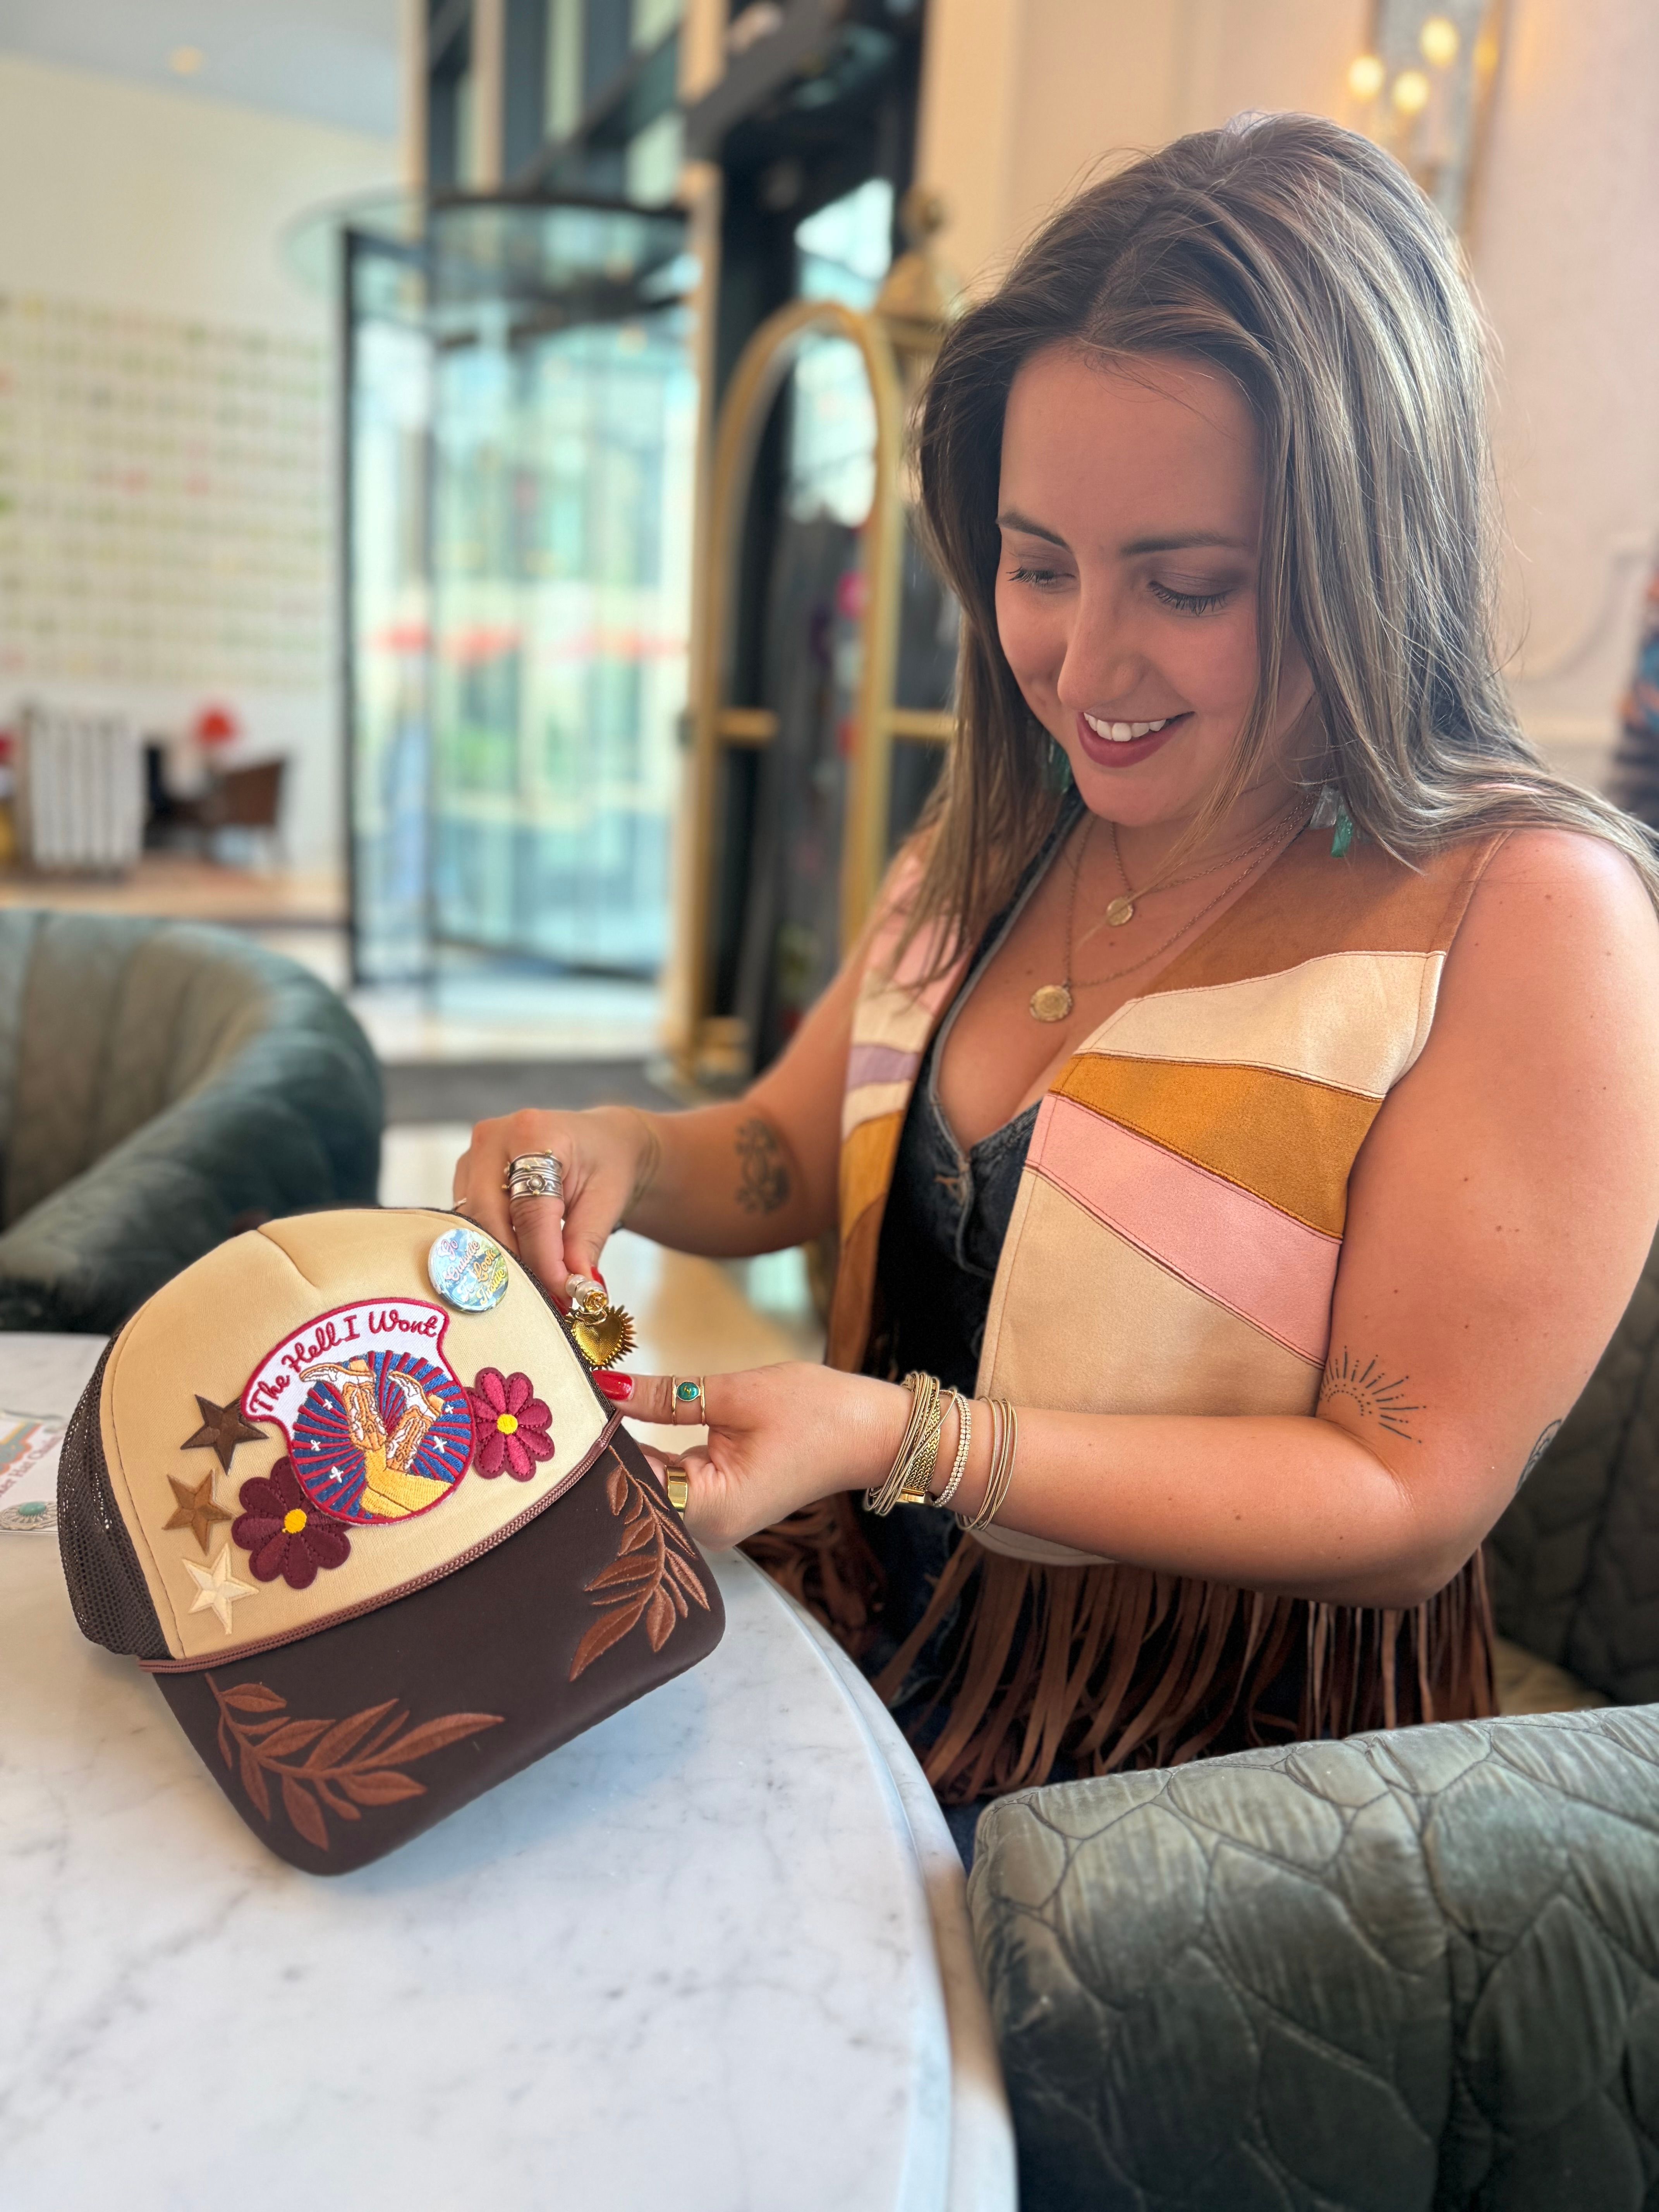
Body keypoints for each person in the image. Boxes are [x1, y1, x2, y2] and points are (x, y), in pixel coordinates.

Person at [452, 114, 1659, 1853]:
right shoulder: (1009, 819)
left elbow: (1407, 1497)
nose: (1085, 667)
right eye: (1036, 566)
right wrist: (615, 1150)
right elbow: (793, 1155)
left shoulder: (1522, 916)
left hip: (1200, 1792)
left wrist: (908, 1437)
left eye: (1189, 586)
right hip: (862, 1622)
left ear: (1369, 557)